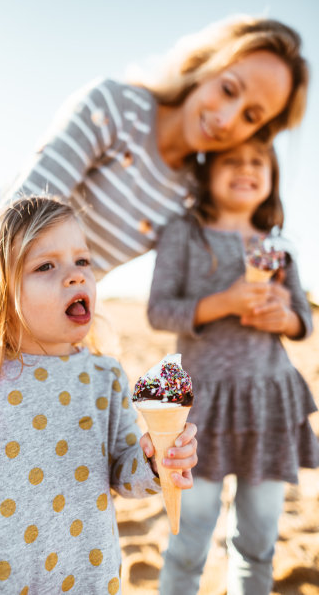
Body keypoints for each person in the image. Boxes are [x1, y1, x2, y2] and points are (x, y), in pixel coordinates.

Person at [0, 196, 198, 594]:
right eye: (46, 265)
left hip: (79, 578)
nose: (76, 276)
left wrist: (154, 462)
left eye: (83, 261)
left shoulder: (105, 376)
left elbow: (122, 474)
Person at [0, 15, 308, 279]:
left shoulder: (194, 193)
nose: (226, 119)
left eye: (250, 116)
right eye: (227, 89)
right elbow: (18, 219)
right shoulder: (115, 107)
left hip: (51, 305)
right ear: (205, 65)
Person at [147, 137, 319, 595]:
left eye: (258, 161)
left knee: (259, 537)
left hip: (268, 399)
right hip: (201, 404)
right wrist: (223, 302)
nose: (246, 168)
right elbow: (159, 310)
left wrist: (286, 317)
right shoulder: (183, 233)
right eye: (231, 160)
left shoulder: (278, 246)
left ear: (272, 177)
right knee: (190, 535)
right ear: (205, 174)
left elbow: (303, 320)